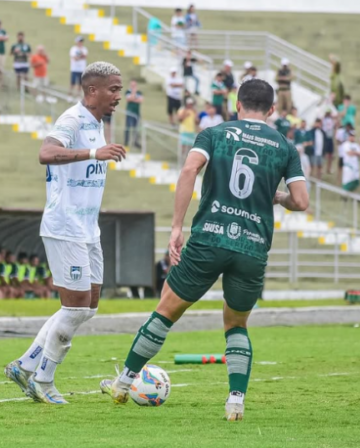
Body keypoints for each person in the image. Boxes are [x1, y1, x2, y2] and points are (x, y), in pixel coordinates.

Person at [99, 79, 308, 421]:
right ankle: (235, 402)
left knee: (166, 310)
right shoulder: (285, 147)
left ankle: (123, 383)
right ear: (271, 110)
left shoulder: (214, 133)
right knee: (236, 324)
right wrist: (280, 197)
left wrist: (177, 227)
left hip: (209, 237)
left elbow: (190, 169)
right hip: (251, 246)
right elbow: (301, 201)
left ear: (236, 104)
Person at [4, 62, 126, 404]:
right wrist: (93, 153)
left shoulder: (97, 124)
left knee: (87, 308)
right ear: (91, 91)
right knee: (74, 308)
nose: (119, 95)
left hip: (88, 229)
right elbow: (45, 152)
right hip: (65, 226)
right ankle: (42, 379)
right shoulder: (72, 119)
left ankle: (24, 365)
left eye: (120, 89)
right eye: (113, 89)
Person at [124, 80, 143, 148]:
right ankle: (126, 142)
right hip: (129, 112)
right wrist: (134, 93)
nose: (133, 86)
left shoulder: (139, 92)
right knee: (128, 128)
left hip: (137, 113)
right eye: (132, 85)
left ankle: (135, 142)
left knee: (136, 128)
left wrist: (133, 99)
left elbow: (140, 100)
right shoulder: (128, 92)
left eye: (134, 85)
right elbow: (129, 99)